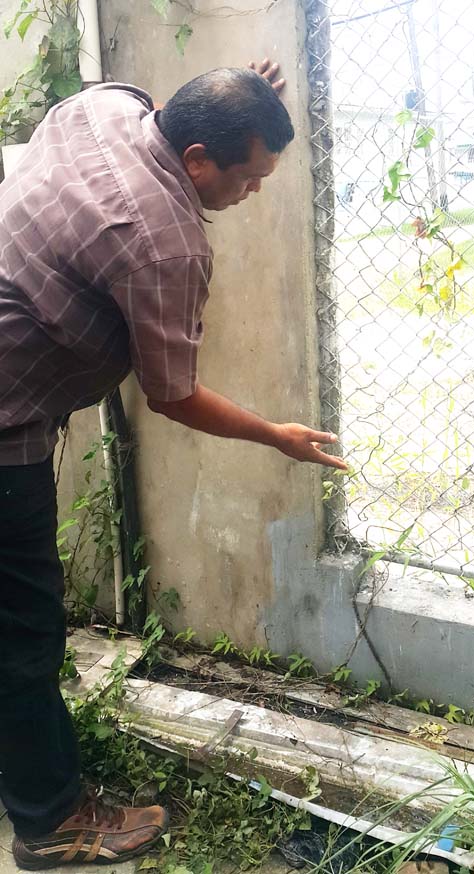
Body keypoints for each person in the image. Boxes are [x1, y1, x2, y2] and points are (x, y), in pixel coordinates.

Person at [0, 60, 347, 870]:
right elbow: (172, 394)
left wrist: (239, 95)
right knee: (23, 633)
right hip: (2, 429)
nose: (252, 192)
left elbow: (156, 102)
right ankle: (50, 821)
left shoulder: (103, 110)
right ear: (198, 160)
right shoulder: (165, 242)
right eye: (248, 176)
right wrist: (278, 437)